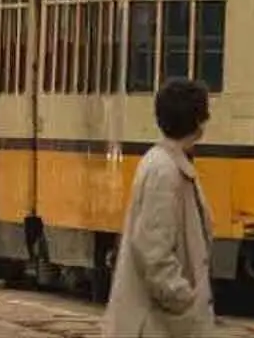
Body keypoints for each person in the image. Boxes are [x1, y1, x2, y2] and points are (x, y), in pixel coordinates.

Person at [103, 79, 215, 338]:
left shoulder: (169, 165)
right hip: (157, 324)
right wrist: (184, 299)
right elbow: (153, 249)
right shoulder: (164, 171)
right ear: (198, 122)